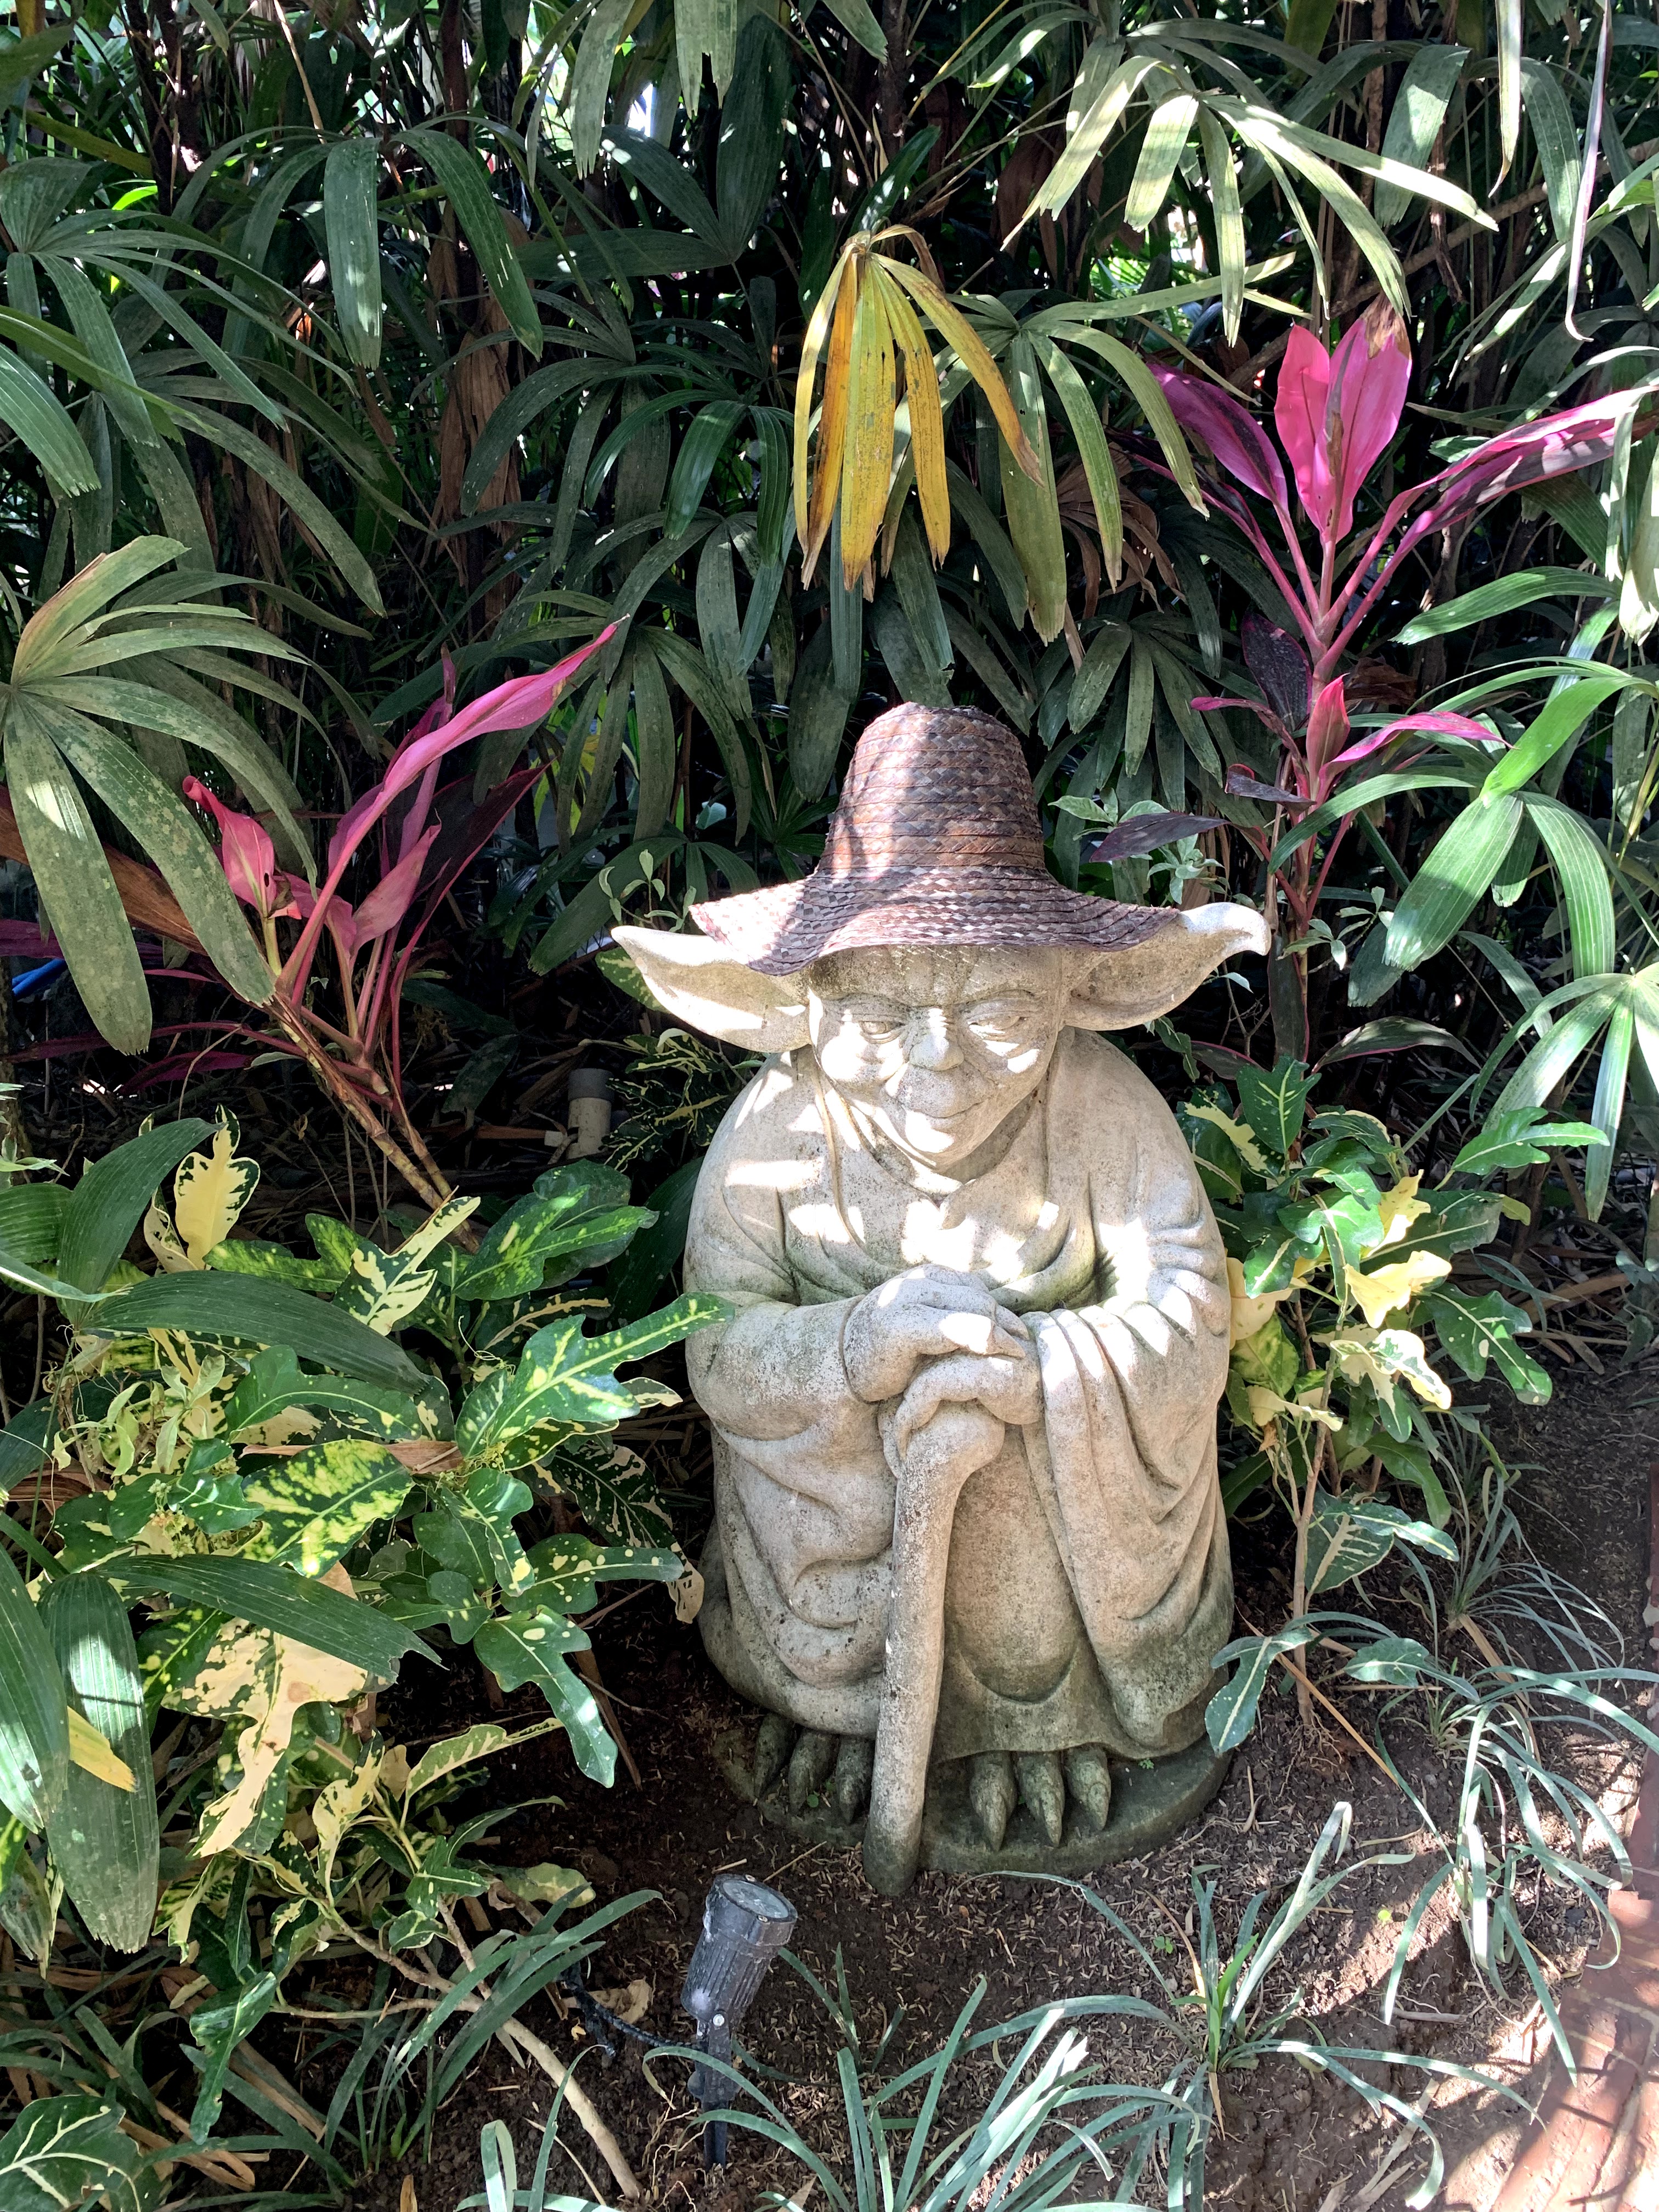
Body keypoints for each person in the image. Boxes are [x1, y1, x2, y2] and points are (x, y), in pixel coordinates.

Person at [616, 703, 1267, 1893]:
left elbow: (1187, 1312)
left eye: (1000, 1011)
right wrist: (852, 1349)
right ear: (807, 1002)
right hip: (833, 1564)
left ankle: (1048, 1717)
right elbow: (717, 1344)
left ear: (1070, 993)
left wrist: (1052, 1372)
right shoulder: (779, 1128)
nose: (936, 1065)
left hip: (1053, 1569)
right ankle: (829, 1705)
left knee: (1016, 1435)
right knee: (848, 1432)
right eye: (877, 1016)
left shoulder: (1105, 1109)